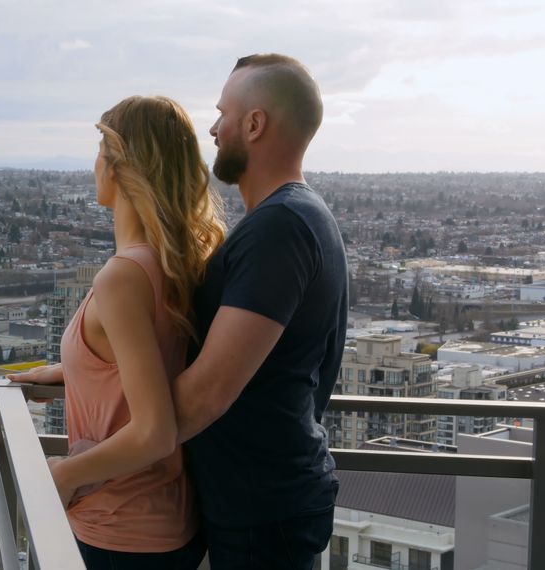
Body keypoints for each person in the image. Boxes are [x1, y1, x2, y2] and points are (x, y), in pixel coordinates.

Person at [9, 95, 225, 569]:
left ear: (117, 165)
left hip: (121, 531)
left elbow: (154, 431)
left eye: (100, 149)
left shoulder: (123, 276)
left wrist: (62, 476)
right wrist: (73, 372)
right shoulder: (175, 264)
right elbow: (149, 370)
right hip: (166, 524)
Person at [171, 54, 347, 569]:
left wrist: (107, 449)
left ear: (254, 124)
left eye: (222, 113)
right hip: (263, 504)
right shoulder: (298, 216)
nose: (212, 127)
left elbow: (209, 392)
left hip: (262, 513)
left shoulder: (281, 228)